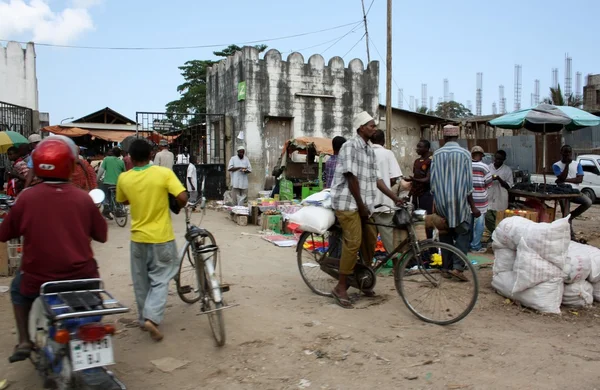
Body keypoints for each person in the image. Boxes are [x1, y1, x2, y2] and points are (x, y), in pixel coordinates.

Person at [0, 136, 107, 363]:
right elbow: (102, 235)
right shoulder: (82, 198)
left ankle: (25, 341)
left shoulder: (25, 198)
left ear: (37, 165)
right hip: (83, 276)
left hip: (39, 278)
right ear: (69, 164)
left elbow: (4, 234)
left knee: (17, 290)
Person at [116, 139, 188, 342]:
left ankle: (142, 318)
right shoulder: (162, 173)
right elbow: (182, 196)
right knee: (162, 278)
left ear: (129, 157)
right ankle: (152, 317)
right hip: (161, 237)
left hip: (137, 239)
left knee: (141, 281)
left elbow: (123, 200)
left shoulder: (124, 178)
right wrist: (176, 205)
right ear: (151, 155)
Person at [330, 111, 403, 308]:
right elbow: (351, 177)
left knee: (370, 240)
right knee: (353, 242)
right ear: (361, 127)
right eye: (371, 125)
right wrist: (361, 205)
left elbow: (377, 180)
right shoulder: (349, 146)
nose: (374, 128)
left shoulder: (370, 150)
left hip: (364, 203)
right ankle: (341, 286)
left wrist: (396, 198)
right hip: (347, 203)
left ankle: (363, 277)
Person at [430, 125, 479, 281]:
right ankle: (457, 268)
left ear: (444, 137)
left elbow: (433, 183)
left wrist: (436, 203)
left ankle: (446, 267)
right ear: (458, 136)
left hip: (441, 202)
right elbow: (468, 185)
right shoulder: (465, 154)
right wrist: (473, 206)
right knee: (463, 233)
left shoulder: (437, 155)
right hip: (460, 202)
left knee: (445, 234)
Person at [371, 129, 402, 254]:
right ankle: (396, 265)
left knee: (368, 240)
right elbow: (394, 178)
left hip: (367, 205)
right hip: (384, 203)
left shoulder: (366, 153)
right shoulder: (387, 153)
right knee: (388, 239)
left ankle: (367, 265)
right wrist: (388, 186)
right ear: (383, 140)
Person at [553, 144, 592, 239]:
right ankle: (571, 236)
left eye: (569, 153)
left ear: (571, 153)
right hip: (563, 192)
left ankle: (572, 216)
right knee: (565, 213)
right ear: (561, 153)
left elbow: (579, 180)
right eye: (565, 153)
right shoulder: (556, 165)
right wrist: (566, 165)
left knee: (588, 202)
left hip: (575, 191)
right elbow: (561, 177)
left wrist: (565, 180)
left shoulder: (577, 164)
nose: (567, 155)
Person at [407, 140, 434, 238]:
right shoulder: (417, 161)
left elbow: (428, 179)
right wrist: (410, 195)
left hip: (427, 195)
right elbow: (415, 180)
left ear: (426, 148)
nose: (417, 149)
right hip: (417, 195)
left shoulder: (431, 161)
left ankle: (431, 247)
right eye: (417, 147)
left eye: (420, 147)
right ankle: (421, 245)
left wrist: (415, 179)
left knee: (428, 220)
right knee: (417, 221)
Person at [470, 146, 493, 253]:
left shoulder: (465, 166)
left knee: (468, 224)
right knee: (479, 224)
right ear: (481, 156)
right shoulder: (485, 167)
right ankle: (476, 246)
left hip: (467, 201)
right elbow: (488, 184)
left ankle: (468, 243)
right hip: (481, 201)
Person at [486, 150, 513, 237]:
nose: (498, 161)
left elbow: (509, 186)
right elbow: (483, 181)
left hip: (500, 198)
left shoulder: (507, 170)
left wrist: (499, 179)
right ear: (494, 158)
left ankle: (497, 236)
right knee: (488, 218)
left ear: (504, 159)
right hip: (489, 198)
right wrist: (490, 179)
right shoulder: (488, 168)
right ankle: (496, 234)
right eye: (496, 158)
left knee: (500, 220)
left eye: (500, 159)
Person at [98, 147, 126, 219]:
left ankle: (106, 205)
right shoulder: (121, 162)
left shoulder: (107, 159)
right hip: (117, 184)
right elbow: (124, 173)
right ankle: (117, 209)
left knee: (102, 192)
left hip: (107, 182)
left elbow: (101, 171)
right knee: (116, 196)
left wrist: (97, 179)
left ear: (112, 153)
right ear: (119, 154)